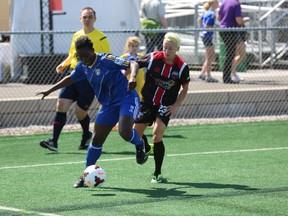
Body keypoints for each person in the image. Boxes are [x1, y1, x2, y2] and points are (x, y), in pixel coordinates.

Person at [36, 36, 149, 188]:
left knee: (124, 132)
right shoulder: (82, 66)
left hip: (126, 97)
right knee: (96, 140)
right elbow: (70, 78)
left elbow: (133, 63)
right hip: (108, 105)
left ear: (92, 50)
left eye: (86, 56)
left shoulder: (107, 59)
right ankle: (86, 175)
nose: (84, 59)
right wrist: (49, 90)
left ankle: (140, 143)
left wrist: (133, 76)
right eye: (80, 57)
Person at [39, 7, 111, 152]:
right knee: (61, 105)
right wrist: (63, 64)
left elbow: (107, 57)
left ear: (95, 19)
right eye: (84, 17)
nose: (87, 19)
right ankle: (54, 141)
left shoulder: (101, 37)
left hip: (89, 80)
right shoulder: (76, 35)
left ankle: (86, 135)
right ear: (80, 19)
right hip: (73, 75)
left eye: (90, 17)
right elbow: (72, 54)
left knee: (80, 112)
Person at [130, 32, 191, 183]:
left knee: (157, 136)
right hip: (148, 101)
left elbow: (185, 88)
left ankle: (157, 173)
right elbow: (136, 63)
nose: (167, 51)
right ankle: (145, 146)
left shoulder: (182, 67)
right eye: (165, 47)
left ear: (177, 48)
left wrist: (176, 105)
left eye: (171, 48)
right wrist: (132, 75)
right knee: (134, 134)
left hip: (165, 104)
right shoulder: (153, 58)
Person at [218, 0, 245, 84]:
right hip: (231, 31)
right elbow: (238, 20)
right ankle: (226, 77)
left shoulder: (224, 2)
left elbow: (219, 17)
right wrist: (244, 21)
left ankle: (227, 76)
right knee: (230, 54)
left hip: (222, 30)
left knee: (229, 53)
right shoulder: (236, 4)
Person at [198, 0, 219, 83]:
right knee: (210, 56)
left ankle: (203, 73)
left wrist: (200, 29)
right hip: (207, 37)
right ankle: (208, 75)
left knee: (210, 56)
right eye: (217, 2)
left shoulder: (206, 12)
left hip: (205, 36)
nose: (218, 4)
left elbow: (199, 19)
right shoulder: (211, 14)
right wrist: (214, 28)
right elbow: (207, 26)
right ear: (213, 4)